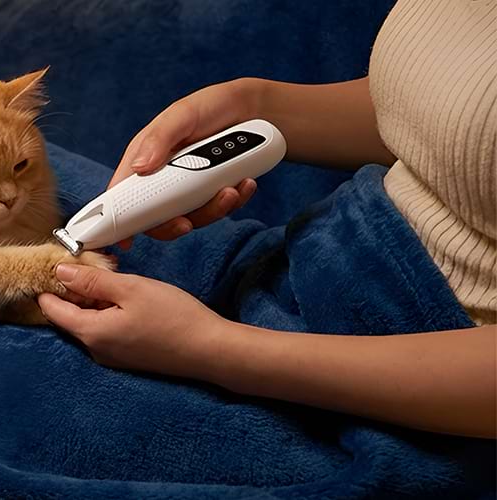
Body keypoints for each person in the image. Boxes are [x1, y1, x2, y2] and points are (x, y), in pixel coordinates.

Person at [37, 0, 496, 440]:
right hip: (306, 260)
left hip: (388, 376)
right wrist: (254, 105)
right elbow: (447, 110)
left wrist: (212, 350)